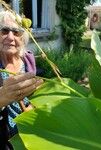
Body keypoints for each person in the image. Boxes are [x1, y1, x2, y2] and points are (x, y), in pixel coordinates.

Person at [0, 10, 43, 149]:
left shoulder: (28, 59)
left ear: (23, 37)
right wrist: (2, 98)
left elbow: (35, 96)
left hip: (29, 134)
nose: (11, 37)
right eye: (4, 31)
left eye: (16, 32)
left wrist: (33, 106)